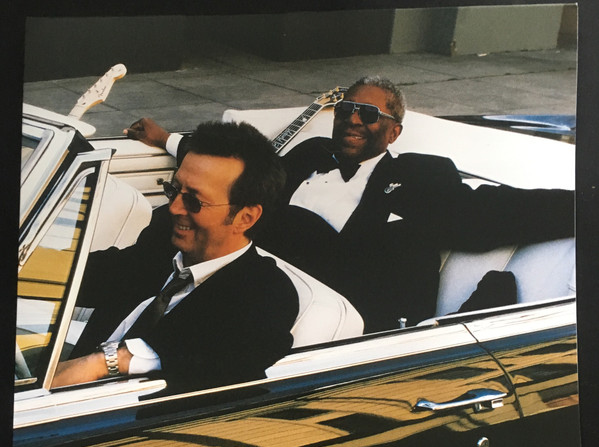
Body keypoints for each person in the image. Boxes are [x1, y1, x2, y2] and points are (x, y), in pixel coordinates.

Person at [124, 76, 574, 333]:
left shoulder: (419, 176)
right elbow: (242, 174)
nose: (353, 119)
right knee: (170, 224)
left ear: (394, 132)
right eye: (345, 109)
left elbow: (494, 212)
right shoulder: (310, 155)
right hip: (241, 279)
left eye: (369, 113)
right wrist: (168, 140)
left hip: (333, 313)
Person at [53, 121, 299, 393]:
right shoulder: (164, 241)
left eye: (194, 201)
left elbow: (221, 356)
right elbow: (97, 274)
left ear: (245, 217)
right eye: (173, 190)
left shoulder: (268, 294)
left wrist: (106, 362)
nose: (174, 208)